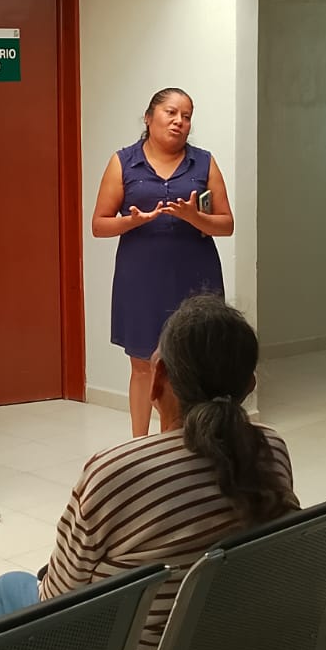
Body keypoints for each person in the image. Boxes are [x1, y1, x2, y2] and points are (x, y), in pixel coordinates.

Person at [0, 295, 298, 650]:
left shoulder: (116, 471)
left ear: (160, 378)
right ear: (249, 384)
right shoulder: (271, 448)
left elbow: (55, 605)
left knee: (11, 588)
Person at [92, 88, 232, 437]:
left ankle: (196, 441)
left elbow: (226, 224)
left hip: (196, 276)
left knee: (197, 362)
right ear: (148, 116)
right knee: (143, 364)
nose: (179, 121)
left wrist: (195, 218)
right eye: (171, 112)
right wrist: (132, 221)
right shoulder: (123, 162)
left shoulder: (204, 162)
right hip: (141, 277)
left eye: (187, 116)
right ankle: (139, 445)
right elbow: (99, 225)